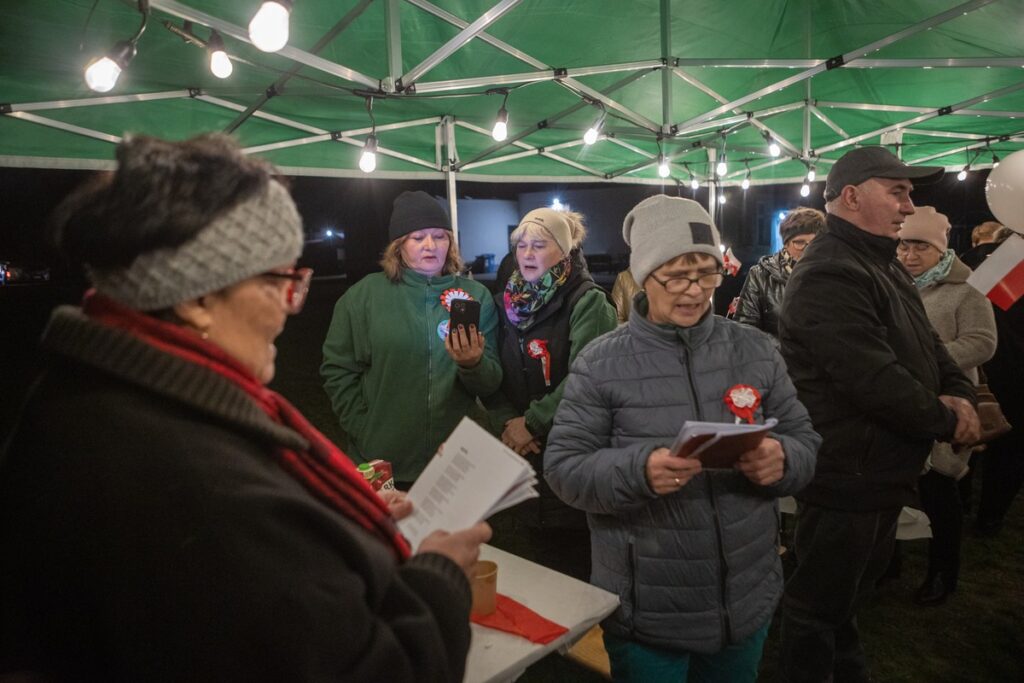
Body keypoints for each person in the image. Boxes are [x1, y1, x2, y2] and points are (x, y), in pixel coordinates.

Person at [0, 135, 491, 681]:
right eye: (280, 281)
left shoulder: (89, 394)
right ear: (196, 297)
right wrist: (440, 577)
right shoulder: (186, 469)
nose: (288, 309)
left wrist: (342, 522)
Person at [544, 195, 819, 682]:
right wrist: (639, 470)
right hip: (646, 609)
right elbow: (564, 469)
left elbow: (803, 438)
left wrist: (783, 460)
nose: (695, 291)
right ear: (644, 277)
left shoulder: (755, 350)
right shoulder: (602, 362)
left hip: (744, 601)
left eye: (707, 273)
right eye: (677, 275)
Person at [777, 146, 980, 683]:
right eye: (898, 191)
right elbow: (873, 378)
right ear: (851, 196)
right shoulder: (829, 272)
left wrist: (962, 393)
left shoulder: (878, 261)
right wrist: (949, 420)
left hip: (878, 469)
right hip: (848, 472)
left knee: (844, 599)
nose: (909, 205)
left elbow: (932, 348)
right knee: (816, 606)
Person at [321, 190, 502, 486]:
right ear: (398, 246)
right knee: (384, 534)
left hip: (452, 459)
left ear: (451, 243)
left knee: (454, 534)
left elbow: (491, 383)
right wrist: (364, 428)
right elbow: (337, 370)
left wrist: (473, 364)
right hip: (382, 459)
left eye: (439, 236)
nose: (430, 245)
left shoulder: (475, 297)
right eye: (418, 238)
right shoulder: (363, 297)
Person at [489, 208, 616, 577]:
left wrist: (532, 423)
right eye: (522, 245)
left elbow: (588, 377)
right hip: (526, 457)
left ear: (563, 251)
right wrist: (509, 425)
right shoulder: (508, 304)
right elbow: (496, 376)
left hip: (574, 452)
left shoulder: (588, 301)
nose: (527, 253)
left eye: (539, 245)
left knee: (578, 567)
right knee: (540, 566)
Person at [896, 207, 996, 605]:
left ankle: (942, 573)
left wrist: (933, 360)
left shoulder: (966, 291)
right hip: (903, 400)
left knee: (939, 490)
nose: (909, 254)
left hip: (949, 401)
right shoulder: (894, 285)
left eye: (920, 246)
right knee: (898, 486)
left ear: (941, 249)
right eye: (904, 244)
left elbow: (983, 342)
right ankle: (890, 563)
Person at [735, 207, 825, 338]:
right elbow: (745, 332)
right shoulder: (761, 275)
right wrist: (787, 350)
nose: (808, 250)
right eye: (800, 243)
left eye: (814, 243)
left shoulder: (831, 274)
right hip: (774, 357)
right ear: (786, 244)